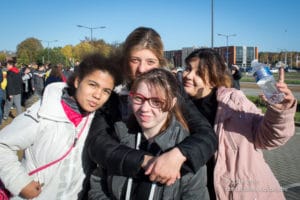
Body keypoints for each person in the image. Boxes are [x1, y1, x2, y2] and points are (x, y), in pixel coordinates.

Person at [87, 26, 217, 188]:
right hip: (119, 182)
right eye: (135, 60)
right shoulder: (112, 93)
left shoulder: (172, 91)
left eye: (150, 62)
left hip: (166, 186)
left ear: (160, 63)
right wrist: (145, 161)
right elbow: (97, 144)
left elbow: (207, 136)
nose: (142, 69)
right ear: (125, 61)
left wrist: (179, 154)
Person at [0, 53, 121, 199]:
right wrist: (19, 183)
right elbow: (2, 145)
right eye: (92, 85)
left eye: (106, 91)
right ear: (77, 81)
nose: (97, 95)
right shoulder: (43, 112)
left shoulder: (97, 122)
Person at [182, 48, 296, 200]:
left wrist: (279, 112)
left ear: (213, 79)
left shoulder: (234, 102)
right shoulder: (178, 107)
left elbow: (268, 138)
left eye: (198, 72)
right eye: (188, 69)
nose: (188, 75)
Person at [89, 68, 210, 200]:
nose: (144, 108)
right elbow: (98, 185)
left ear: (172, 103)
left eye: (156, 102)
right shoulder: (117, 136)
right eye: (139, 99)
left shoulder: (187, 151)